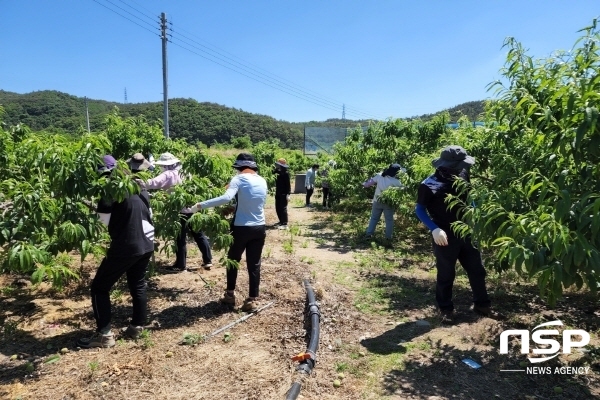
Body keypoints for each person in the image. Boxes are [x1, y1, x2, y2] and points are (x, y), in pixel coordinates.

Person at [415, 145, 501, 324]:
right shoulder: (429, 184)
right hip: (444, 234)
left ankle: (482, 304)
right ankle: (445, 308)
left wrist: (476, 214)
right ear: (448, 165)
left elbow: (471, 197)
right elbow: (420, 209)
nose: (464, 167)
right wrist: (434, 228)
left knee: (477, 269)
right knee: (446, 273)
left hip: (467, 231)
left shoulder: (463, 175)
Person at [76, 155, 154, 348]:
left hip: (126, 245)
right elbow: (147, 213)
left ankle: (104, 335)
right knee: (138, 283)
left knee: (99, 288)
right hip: (147, 243)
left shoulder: (109, 190)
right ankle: (137, 327)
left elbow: (102, 222)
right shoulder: (139, 185)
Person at [192, 153, 267, 312]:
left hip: (241, 228)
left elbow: (226, 197)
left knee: (233, 260)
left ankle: (230, 295)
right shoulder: (262, 180)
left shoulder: (239, 179)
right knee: (254, 264)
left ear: (240, 167)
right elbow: (252, 203)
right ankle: (252, 299)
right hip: (259, 227)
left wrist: (200, 205)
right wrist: (234, 208)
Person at [137, 152, 213, 272]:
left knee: (180, 237)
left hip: (179, 211)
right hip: (193, 208)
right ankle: (208, 260)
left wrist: (138, 182)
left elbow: (152, 183)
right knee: (199, 234)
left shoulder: (168, 174)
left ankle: (180, 264)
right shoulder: (186, 172)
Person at [363, 163, 403, 240]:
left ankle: (369, 234)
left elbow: (368, 184)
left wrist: (364, 184)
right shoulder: (397, 182)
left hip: (377, 201)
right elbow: (402, 190)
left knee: (374, 218)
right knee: (389, 220)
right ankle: (388, 238)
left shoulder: (380, 176)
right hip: (389, 203)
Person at [273, 158, 291, 229]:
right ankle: (281, 221)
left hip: (284, 193)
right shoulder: (277, 171)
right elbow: (272, 173)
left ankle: (284, 223)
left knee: (283, 208)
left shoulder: (285, 173)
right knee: (277, 207)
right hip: (278, 192)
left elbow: (288, 184)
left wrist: (288, 194)